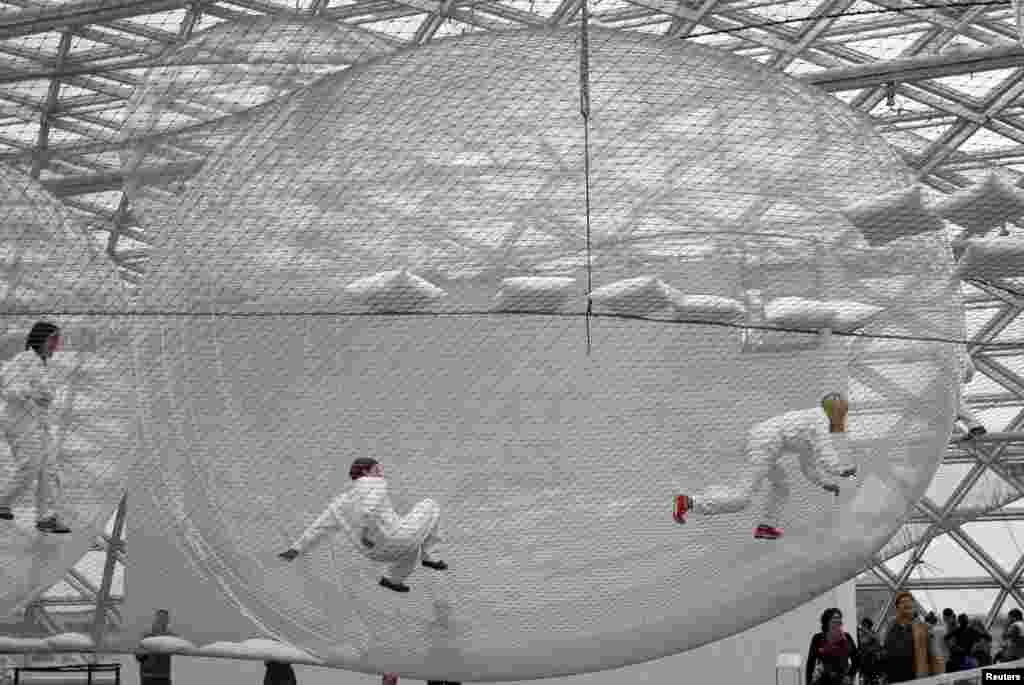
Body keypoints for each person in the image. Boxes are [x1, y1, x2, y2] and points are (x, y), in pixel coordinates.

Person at [675, 401, 857, 539]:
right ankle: (691, 502)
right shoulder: (820, 420)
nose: (841, 419)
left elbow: (808, 464)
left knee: (782, 485)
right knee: (743, 497)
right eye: (841, 414)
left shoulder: (809, 422)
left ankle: (766, 526)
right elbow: (825, 452)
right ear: (835, 411)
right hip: (765, 445)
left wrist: (825, 483)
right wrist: (840, 471)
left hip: (762, 441)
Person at [279, 458, 447, 593]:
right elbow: (368, 509)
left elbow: (319, 527)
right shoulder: (375, 483)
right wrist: (365, 531)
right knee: (430, 505)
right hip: (396, 539)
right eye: (377, 470)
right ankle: (430, 557)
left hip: (376, 553)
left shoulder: (339, 504)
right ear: (365, 473)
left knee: (414, 545)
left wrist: (296, 549)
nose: (382, 473)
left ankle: (393, 580)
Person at [0, 321, 69, 534]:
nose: (56, 345)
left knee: (49, 471)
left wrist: (46, 397)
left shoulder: (43, 364)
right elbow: (8, 390)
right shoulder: (21, 361)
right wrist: (32, 393)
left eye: (57, 340)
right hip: (21, 423)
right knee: (30, 465)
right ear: (40, 339)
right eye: (52, 339)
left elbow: (44, 395)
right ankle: (3, 501)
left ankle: (45, 517)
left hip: (39, 425)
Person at [883, 591, 944, 683]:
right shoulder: (890, 626)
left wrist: (940, 679)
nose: (907, 604)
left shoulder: (925, 628)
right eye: (903, 602)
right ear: (897, 607)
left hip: (916, 679)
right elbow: (886, 649)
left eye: (910, 601)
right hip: (893, 678)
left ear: (914, 606)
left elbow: (936, 656)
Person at [806, 608, 859, 685]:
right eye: (834, 619)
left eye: (839, 619)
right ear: (827, 621)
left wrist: (850, 675)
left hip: (843, 680)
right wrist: (809, 681)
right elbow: (811, 663)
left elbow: (856, 660)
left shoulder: (847, 637)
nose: (837, 622)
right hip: (824, 680)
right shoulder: (818, 638)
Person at [136, 609, 174, 685]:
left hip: (164, 677)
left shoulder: (170, 636)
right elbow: (138, 656)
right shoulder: (147, 635)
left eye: (165, 619)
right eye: (160, 618)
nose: (163, 621)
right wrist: (143, 653)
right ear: (156, 619)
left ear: (168, 621)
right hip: (148, 677)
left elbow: (176, 650)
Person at [955, 348, 986, 438]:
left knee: (955, 404)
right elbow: (970, 372)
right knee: (956, 403)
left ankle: (975, 427)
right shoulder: (962, 352)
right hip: (955, 382)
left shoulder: (934, 348)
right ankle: (975, 426)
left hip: (941, 383)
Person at [857, 618, 883, 685]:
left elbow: (877, 641)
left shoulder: (872, 635)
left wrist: (865, 631)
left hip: (872, 664)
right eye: (863, 625)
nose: (863, 627)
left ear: (869, 626)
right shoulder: (860, 636)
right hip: (864, 665)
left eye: (865, 625)